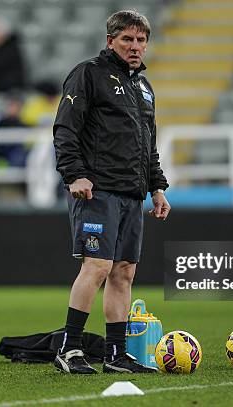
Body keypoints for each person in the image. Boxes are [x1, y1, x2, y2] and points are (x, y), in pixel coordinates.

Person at [52, 10, 170, 374]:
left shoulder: (144, 88)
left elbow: (147, 144)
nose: (135, 47)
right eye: (127, 40)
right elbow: (65, 129)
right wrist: (75, 175)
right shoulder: (88, 74)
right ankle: (69, 349)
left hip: (132, 195)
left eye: (141, 40)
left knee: (123, 273)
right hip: (97, 190)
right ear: (111, 41)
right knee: (98, 266)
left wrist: (158, 187)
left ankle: (116, 354)